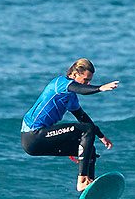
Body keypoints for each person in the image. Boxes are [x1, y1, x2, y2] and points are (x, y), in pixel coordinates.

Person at [20, 58, 119, 192]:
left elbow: (82, 117)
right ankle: (82, 180)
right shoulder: (60, 83)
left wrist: (101, 136)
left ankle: (89, 186)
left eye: (89, 81)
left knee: (90, 149)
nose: (88, 83)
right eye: (85, 80)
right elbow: (80, 89)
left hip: (39, 140)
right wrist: (100, 88)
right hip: (33, 135)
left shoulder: (71, 97)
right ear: (75, 74)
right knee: (87, 130)